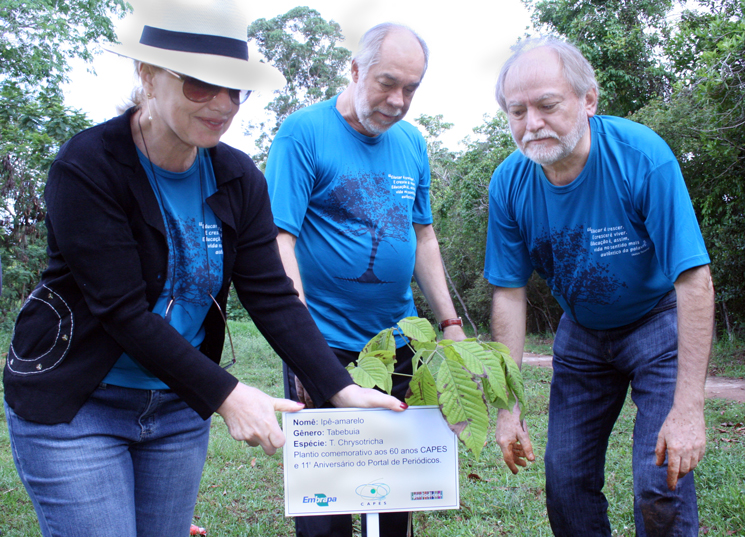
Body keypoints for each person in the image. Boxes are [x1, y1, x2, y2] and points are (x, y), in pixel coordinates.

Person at [2, 2, 406, 536]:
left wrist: (340, 388)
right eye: (200, 84)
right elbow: (122, 311)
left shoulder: (238, 178)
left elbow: (272, 296)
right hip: (79, 405)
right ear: (147, 76)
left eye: (235, 89)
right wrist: (228, 394)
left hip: (175, 410)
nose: (222, 104)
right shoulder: (89, 166)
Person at [484, 36, 715, 536]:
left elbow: (693, 280)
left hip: (656, 322)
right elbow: (509, 293)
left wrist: (689, 409)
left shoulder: (641, 157)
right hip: (582, 332)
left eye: (547, 105)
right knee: (564, 479)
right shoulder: (508, 184)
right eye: (517, 111)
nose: (532, 124)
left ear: (588, 100)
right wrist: (508, 408)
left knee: (660, 479)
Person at [264, 22, 466, 537]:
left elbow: (423, 238)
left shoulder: (412, 143)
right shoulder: (301, 134)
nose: (399, 101)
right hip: (323, 342)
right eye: (387, 83)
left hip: (398, 343)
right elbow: (279, 238)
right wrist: (302, 340)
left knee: (394, 496)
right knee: (325, 504)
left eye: (411, 89)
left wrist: (449, 323)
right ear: (354, 70)